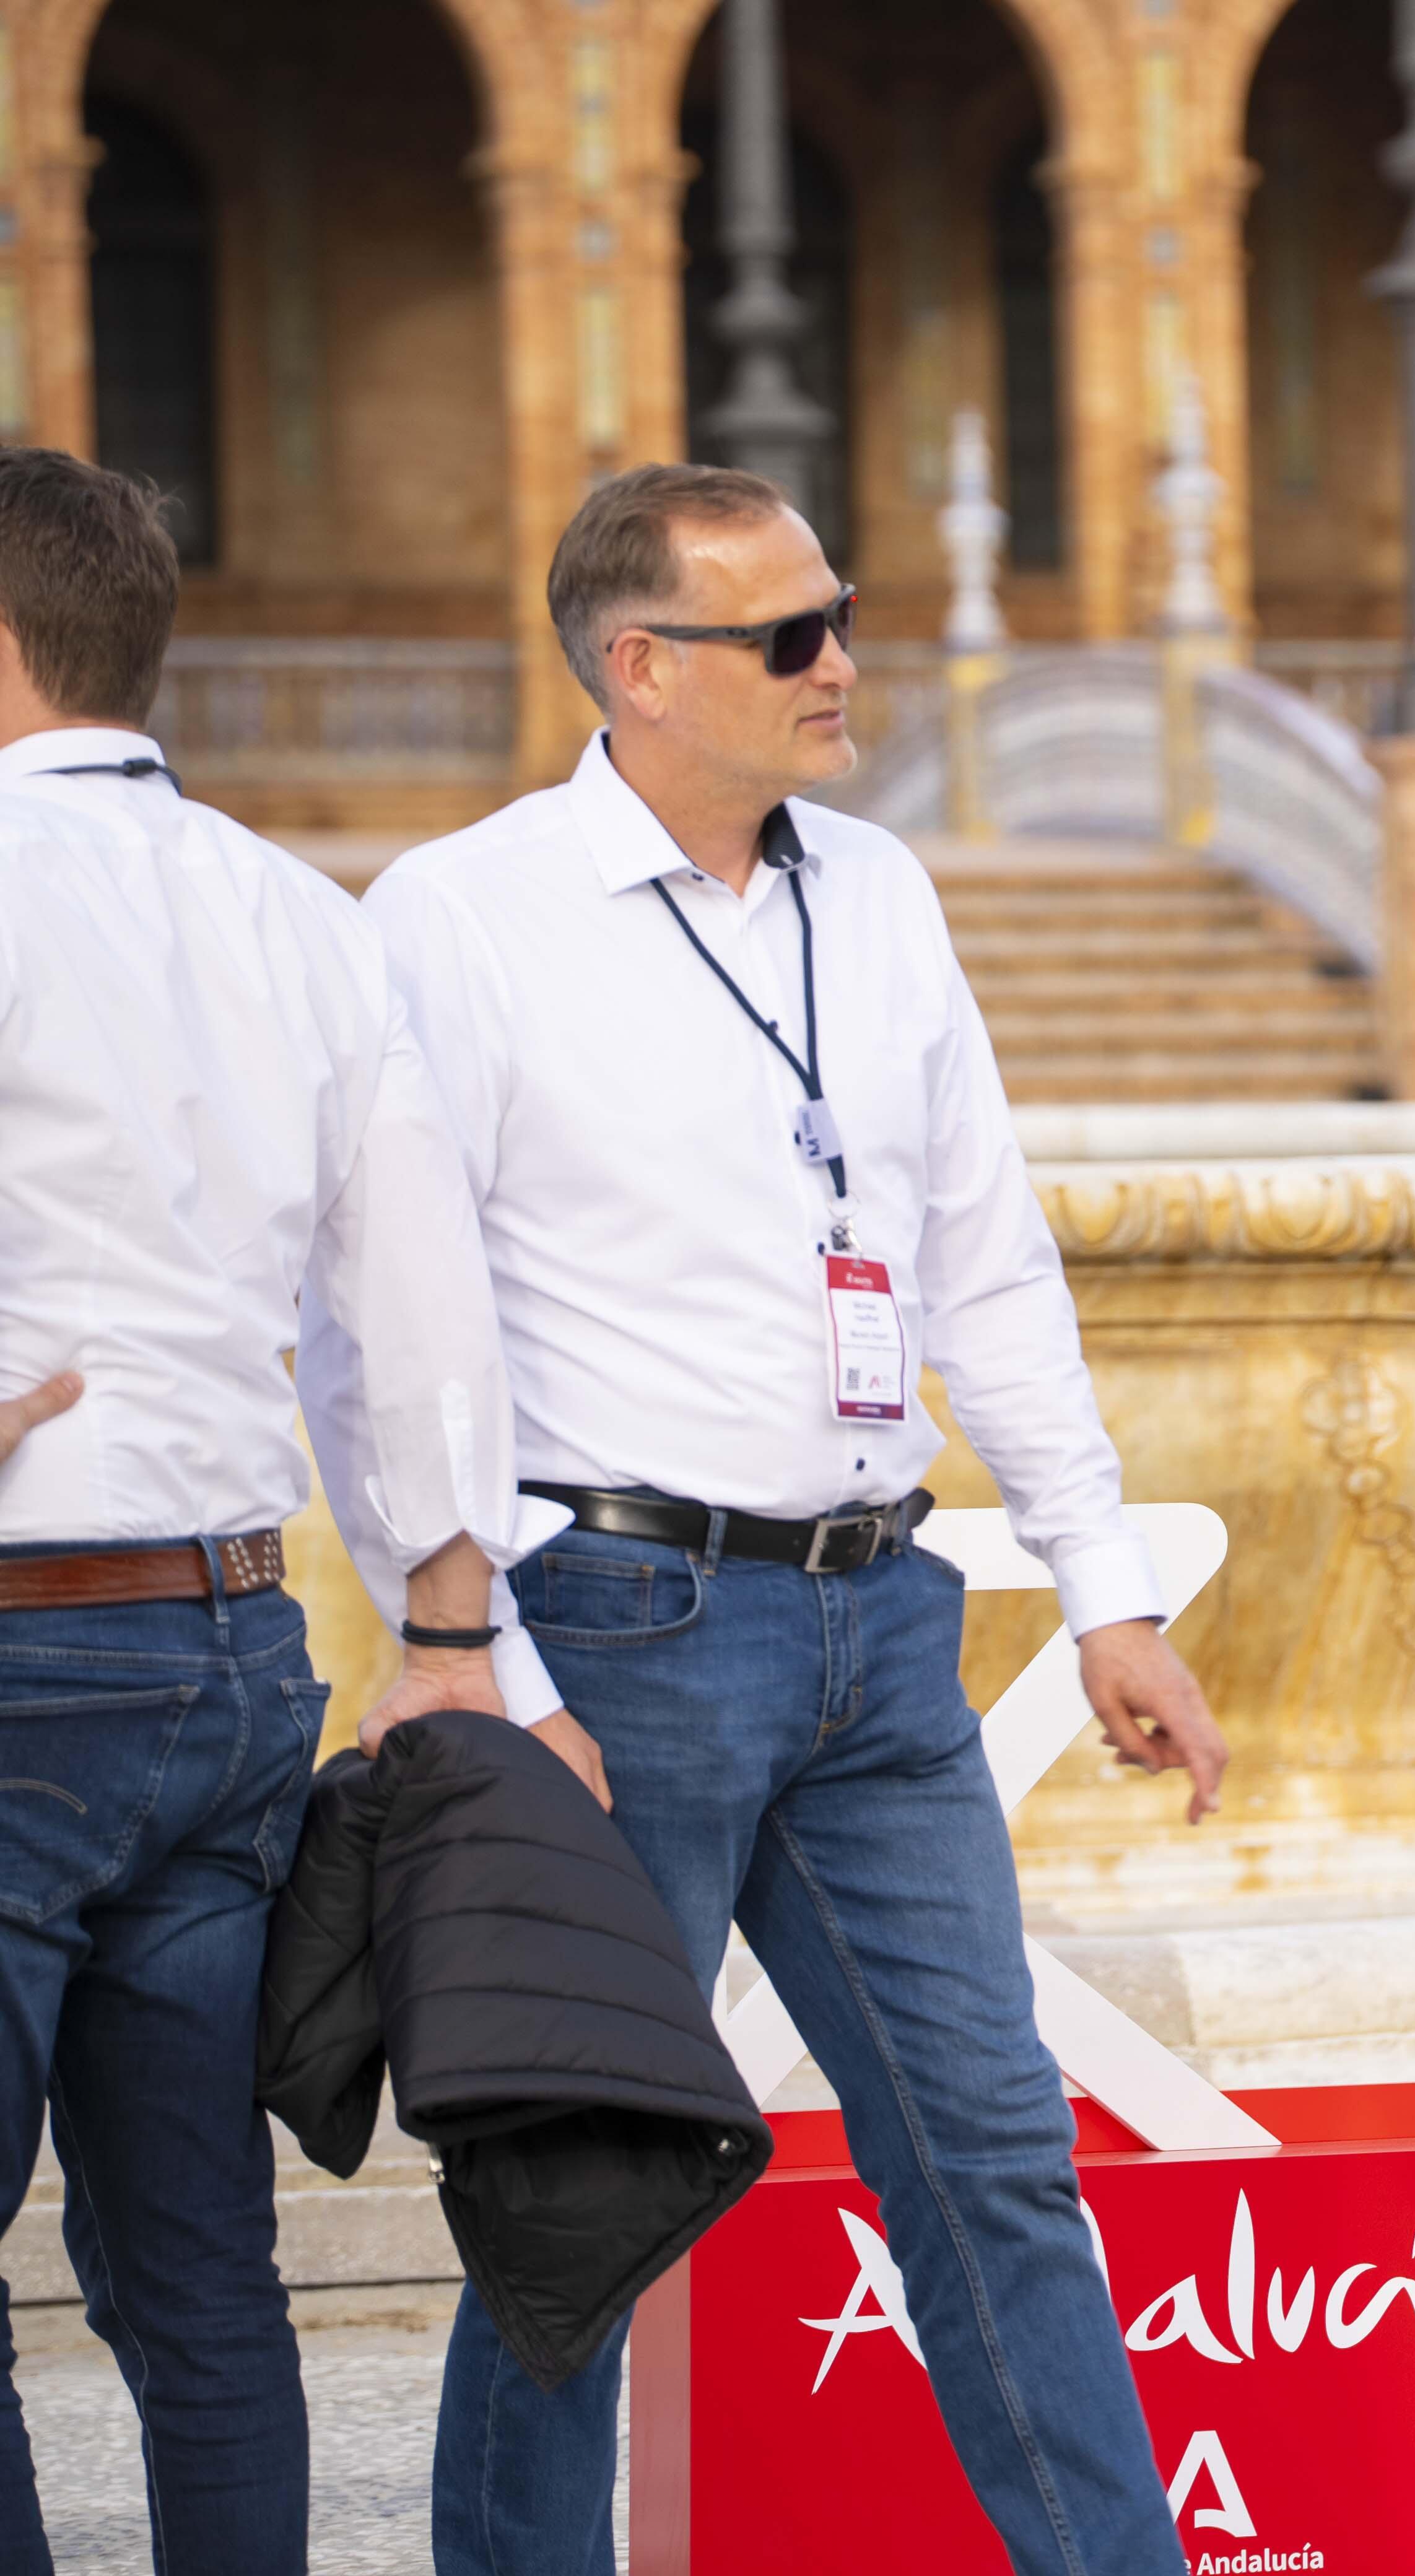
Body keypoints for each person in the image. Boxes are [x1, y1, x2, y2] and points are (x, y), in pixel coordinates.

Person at [318, 463, 1229, 2576]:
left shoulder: (879, 893)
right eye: (790, 637)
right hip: (612, 1625)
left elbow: (980, 1259)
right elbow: (374, 1318)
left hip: (878, 1622)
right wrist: (470, 1652)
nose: (847, 665)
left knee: (994, 2161)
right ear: (639, 671)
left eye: (842, 616)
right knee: (582, 2197)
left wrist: (1104, 1590)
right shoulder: (460, 919)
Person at [0, 447, 550, 2576]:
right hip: (233, 1651)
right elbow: (420, 1302)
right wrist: (441, 1628)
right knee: (204, 2282)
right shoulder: (296, 914)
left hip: (22, 1645)